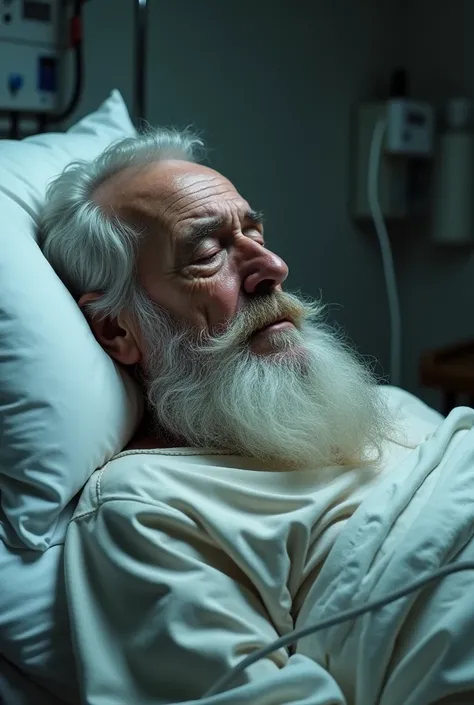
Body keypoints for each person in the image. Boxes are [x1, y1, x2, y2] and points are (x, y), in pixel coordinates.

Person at [40, 129, 474, 705]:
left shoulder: (378, 407)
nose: (272, 266)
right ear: (119, 329)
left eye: (254, 231)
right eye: (206, 253)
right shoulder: (148, 503)